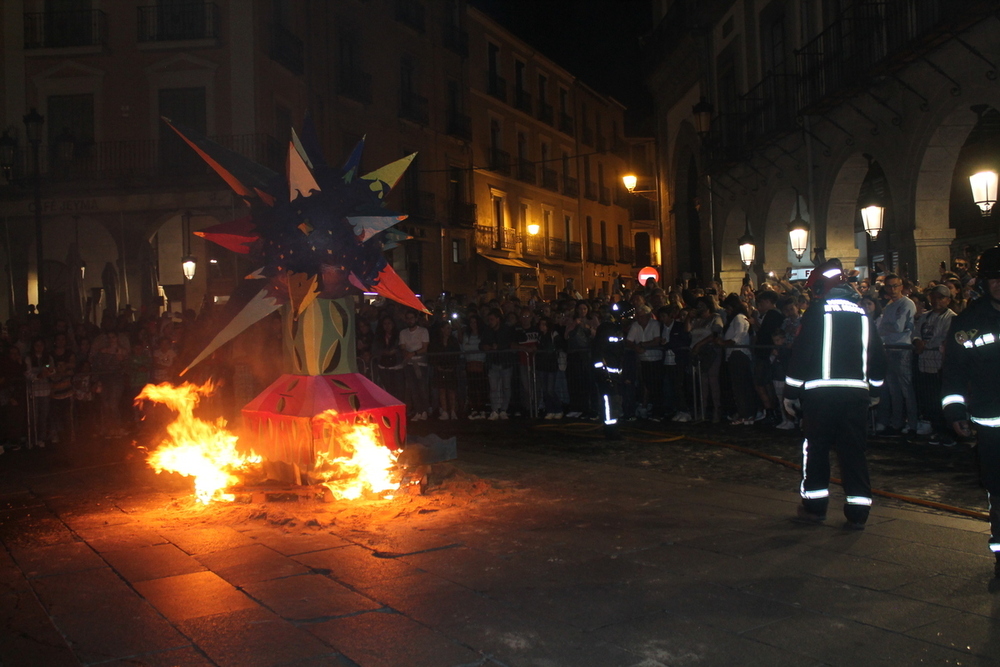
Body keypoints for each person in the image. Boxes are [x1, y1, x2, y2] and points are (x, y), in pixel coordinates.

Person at [785, 260, 886, 530]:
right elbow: (877, 355)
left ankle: (815, 508)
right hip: (856, 398)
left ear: (822, 287)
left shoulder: (817, 312)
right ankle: (858, 513)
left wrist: (790, 392)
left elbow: (802, 353)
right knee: (853, 453)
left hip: (821, 397)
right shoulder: (863, 313)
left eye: (814, 289)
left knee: (816, 450)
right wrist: (874, 390)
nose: (812, 295)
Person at [941, 246, 1000, 578]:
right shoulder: (969, 322)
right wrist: (955, 412)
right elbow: (954, 373)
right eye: (994, 279)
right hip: (992, 426)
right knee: (998, 492)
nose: (999, 285)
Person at [877, 273, 919, 436]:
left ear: (901, 287)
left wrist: (887, 326)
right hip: (889, 348)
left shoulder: (906, 304)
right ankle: (897, 422)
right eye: (889, 286)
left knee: (906, 389)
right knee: (893, 389)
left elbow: (898, 326)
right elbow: (884, 328)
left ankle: (913, 424)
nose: (893, 289)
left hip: (902, 349)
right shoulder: (889, 306)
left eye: (896, 286)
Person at [399, 310, 430, 421]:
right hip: (409, 364)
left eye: (412, 318)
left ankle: (425, 410)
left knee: (422, 388)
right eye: (408, 318)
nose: (410, 320)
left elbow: (424, 348)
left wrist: (413, 353)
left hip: (420, 363)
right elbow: (402, 347)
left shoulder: (423, 331)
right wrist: (407, 354)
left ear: (416, 319)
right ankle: (418, 411)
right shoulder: (403, 333)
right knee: (413, 389)